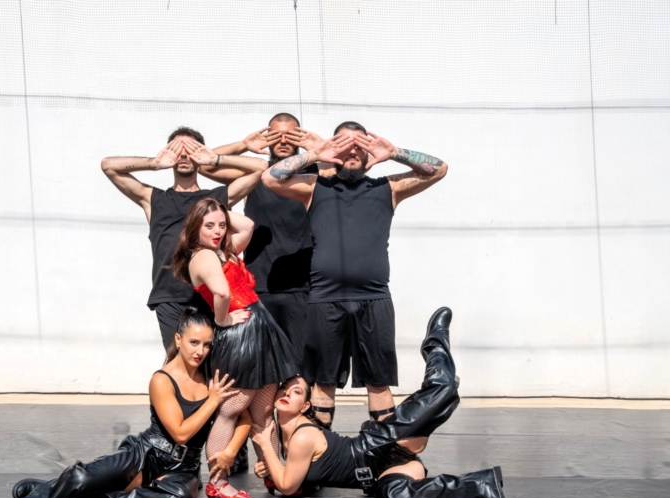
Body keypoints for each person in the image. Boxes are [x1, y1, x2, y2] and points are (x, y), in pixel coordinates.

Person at [260, 121, 449, 428]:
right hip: (325, 299)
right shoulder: (314, 187)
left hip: (374, 298)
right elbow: (269, 177)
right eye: (344, 145)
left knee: (378, 381)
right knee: (323, 381)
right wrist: (315, 153)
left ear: (368, 153)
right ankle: (320, 447)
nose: (351, 152)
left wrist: (394, 152)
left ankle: (382, 449)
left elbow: (439, 169)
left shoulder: (387, 188)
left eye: (358, 146)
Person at [251, 308, 508, 498]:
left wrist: (265, 447)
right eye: (283, 389)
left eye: (295, 392)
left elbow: (287, 487)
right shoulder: (288, 439)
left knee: (442, 389)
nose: (286, 393)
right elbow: (302, 484)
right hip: (381, 474)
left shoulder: (303, 436)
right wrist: (273, 468)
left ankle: (435, 344)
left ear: (305, 406)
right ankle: (480, 487)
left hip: (378, 444)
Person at [11, 308, 249, 498]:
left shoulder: (212, 378)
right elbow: (180, 434)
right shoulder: (161, 380)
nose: (201, 351)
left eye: (207, 345)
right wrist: (212, 400)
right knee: (81, 478)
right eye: (194, 342)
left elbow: (244, 417)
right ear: (178, 340)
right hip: (146, 454)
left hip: (184, 467)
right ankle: (48, 490)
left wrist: (230, 451)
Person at [170, 197, 302, 498]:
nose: (218, 231)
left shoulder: (221, 250)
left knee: (263, 412)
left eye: (221, 225)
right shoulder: (204, 256)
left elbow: (248, 225)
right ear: (195, 227)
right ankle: (218, 481)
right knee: (230, 409)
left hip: (258, 329)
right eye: (208, 226)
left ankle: (272, 474)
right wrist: (223, 320)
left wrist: (213, 206)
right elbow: (221, 292)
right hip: (241, 335)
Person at [101, 127, 266, 351]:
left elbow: (260, 167)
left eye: (191, 149)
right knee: (178, 363)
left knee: (213, 365)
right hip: (170, 297)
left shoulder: (215, 199)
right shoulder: (154, 198)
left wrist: (215, 158)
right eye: (177, 150)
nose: (184, 155)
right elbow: (108, 166)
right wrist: (154, 163)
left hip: (210, 296)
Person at [210, 113, 323, 353]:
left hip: (304, 285)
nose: (282, 141)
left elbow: (350, 169)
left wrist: (319, 147)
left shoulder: (316, 174)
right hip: (259, 285)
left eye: (290, 135)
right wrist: (243, 145)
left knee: (302, 360)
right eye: (275, 135)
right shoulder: (254, 176)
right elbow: (205, 163)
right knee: (262, 360)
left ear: (300, 137)